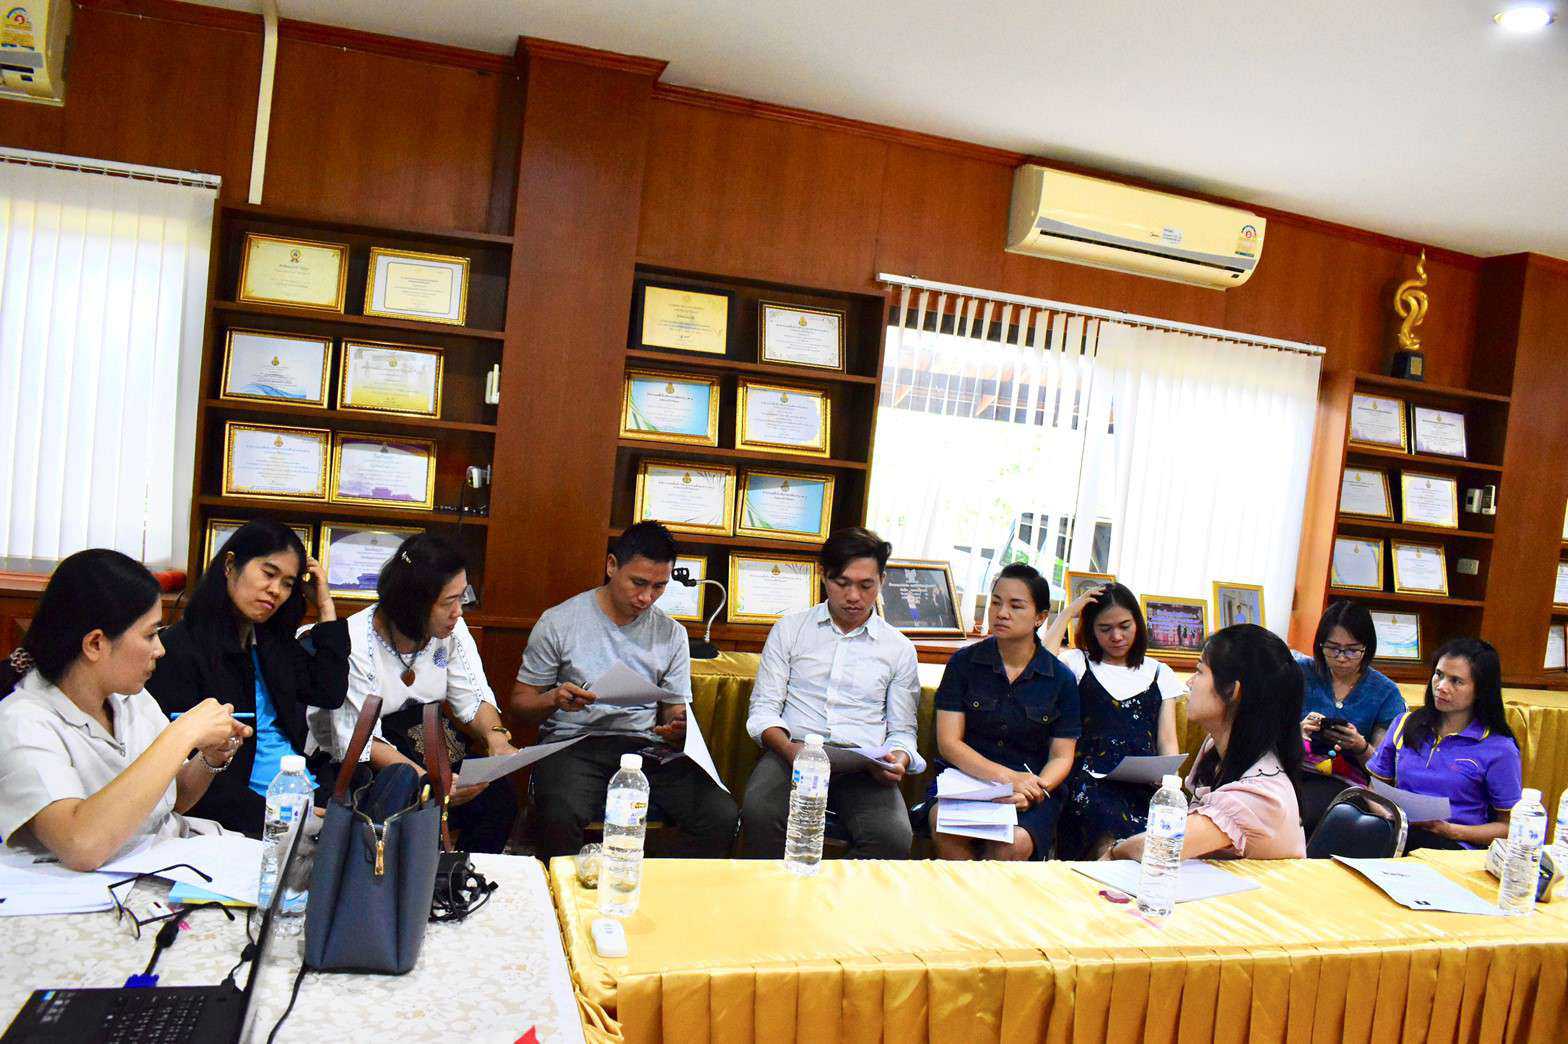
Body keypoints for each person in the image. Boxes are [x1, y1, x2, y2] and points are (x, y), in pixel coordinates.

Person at [0, 550, 250, 870]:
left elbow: (169, 801)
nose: (160, 649)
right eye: (150, 634)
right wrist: (182, 734)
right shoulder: (23, 722)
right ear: (95, 644)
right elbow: (81, 844)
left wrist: (209, 758)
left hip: (168, 857)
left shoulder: (131, 697)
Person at [511, 522, 738, 859]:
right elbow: (520, 703)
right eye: (639, 583)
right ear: (612, 566)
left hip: (644, 746)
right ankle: (569, 888)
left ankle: (652, 883)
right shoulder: (560, 621)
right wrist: (553, 698)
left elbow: (674, 708)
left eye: (659, 586)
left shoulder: (671, 633)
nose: (647, 597)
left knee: (720, 814)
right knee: (559, 812)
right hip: (574, 744)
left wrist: (678, 726)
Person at [308, 534, 518, 853]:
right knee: (411, 804)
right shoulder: (355, 641)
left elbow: (473, 698)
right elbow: (360, 740)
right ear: (413, 604)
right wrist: (429, 781)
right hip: (368, 764)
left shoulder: (450, 630)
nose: (458, 612)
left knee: (497, 795)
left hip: (427, 745)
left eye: (462, 597)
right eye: (448, 602)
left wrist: (496, 738)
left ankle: (461, 874)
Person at [147, 520, 349, 835]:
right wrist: (280, 818)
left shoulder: (269, 640)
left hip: (302, 792)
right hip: (249, 815)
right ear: (230, 565)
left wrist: (325, 605)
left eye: (288, 584)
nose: (276, 591)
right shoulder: (179, 650)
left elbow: (329, 691)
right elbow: (190, 772)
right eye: (268, 574)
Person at [741, 527, 923, 859]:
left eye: (866, 585)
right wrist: (789, 750)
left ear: (882, 581)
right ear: (824, 577)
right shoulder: (790, 630)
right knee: (759, 813)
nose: (854, 596)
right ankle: (775, 891)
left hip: (863, 764)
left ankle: (833, 893)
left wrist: (899, 758)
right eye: (842, 583)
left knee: (893, 838)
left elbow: (902, 731)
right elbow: (764, 710)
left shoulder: (898, 649)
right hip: (793, 753)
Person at [1107, 624, 1305, 861]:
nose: (1190, 683)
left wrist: (1114, 850)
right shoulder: (1215, 747)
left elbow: (1161, 845)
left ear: (1231, 691)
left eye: (1199, 671)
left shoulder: (1260, 793)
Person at [931, 563, 1079, 861]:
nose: (1001, 613)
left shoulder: (1061, 679)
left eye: (1016, 606)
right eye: (996, 602)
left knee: (1013, 842)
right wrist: (1007, 778)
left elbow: (1062, 756)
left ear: (1040, 617)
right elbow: (949, 743)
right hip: (968, 781)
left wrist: (1035, 790)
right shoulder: (963, 664)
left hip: (1031, 789)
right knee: (944, 827)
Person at [1046, 582, 1183, 859]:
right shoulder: (1078, 663)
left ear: (1138, 623)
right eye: (1105, 629)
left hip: (1143, 785)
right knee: (1101, 819)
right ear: (1090, 630)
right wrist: (1068, 613)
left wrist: (1170, 779)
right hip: (1088, 782)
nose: (1117, 636)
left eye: (1125, 626)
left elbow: (1167, 740)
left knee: (1160, 832)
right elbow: (1041, 667)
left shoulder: (1160, 672)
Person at [1367, 637, 1521, 851]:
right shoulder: (1405, 723)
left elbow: (1509, 827)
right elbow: (1374, 788)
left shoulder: (1499, 748)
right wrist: (1385, 813)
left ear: (1480, 690)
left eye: (1456, 681)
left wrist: (1451, 831)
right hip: (1398, 832)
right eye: (1438, 675)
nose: (1441, 687)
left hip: (1454, 847)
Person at [1295, 601, 1406, 783]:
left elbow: (1384, 771)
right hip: (1294, 773)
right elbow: (1269, 736)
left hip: (1349, 782)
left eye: (1352, 650)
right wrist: (1297, 733)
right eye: (1333, 648)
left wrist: (1360, 746)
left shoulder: (1385, 693)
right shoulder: (1299, 673)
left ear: (1367, 648)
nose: (1341, 658)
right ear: (1320, 645)